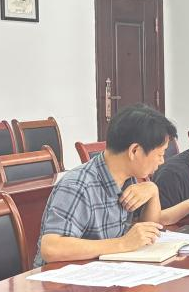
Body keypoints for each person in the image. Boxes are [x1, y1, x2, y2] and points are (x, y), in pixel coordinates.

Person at [34, 104, 174, 267]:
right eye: (160, 154)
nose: (162, 161)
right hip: (60, 278)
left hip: (104, 271)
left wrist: (153, 191)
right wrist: (122, 243)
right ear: (134, 151)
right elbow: (51, 248)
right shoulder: (78, 186)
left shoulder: (129, 179)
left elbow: (148, 234)